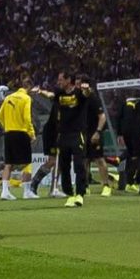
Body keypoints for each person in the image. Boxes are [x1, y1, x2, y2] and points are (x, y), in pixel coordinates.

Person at [49, 71, 88, 208]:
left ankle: (80, 194)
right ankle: (69, 194)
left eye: (61, 79)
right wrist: (40, 92)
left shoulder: (78, 93)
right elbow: (51, 96)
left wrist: (87, 89)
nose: (58, 82)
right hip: (63, 135)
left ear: (68, 80)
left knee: (79, 165)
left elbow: (86, 94)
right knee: (64, 166)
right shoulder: (59, 94)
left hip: (77, 134)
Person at [0, 76, 37, 201]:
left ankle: (4, 192)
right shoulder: (26, 98)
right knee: (27, 162)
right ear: (29, 87)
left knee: (8, 163)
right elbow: (27, 118)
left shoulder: (8, 97)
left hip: (9, 133)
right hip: (21, 133)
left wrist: (7, 126)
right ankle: (27, 192)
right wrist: (32, 133)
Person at [113, 87, 140, 191]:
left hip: (126, 132)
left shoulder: (124, 103)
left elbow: (118, 118)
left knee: (131, 154)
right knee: (137, 156)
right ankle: (130, 181)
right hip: (137, 132)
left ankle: (119, 160)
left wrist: (119, 134)